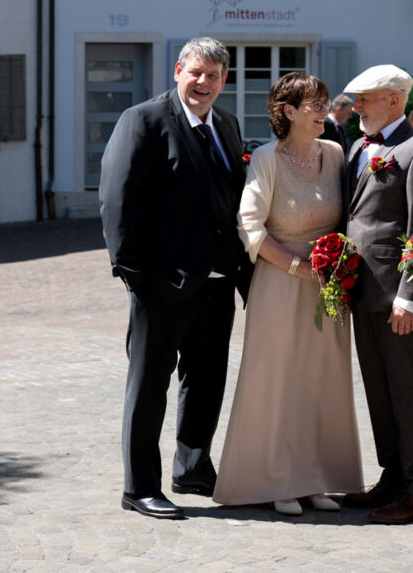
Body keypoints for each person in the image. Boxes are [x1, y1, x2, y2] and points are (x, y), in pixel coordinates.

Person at [99, 36, 253, 520]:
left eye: (214, 75)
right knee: (149, 386)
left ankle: (192, 468)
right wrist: (135, 276)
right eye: (196, 72)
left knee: (206, 381)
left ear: (224, 81)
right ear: (177, 71)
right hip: (160, 284)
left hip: (217, 282)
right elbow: (117, 202)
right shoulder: (142, 120)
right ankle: (139, 486)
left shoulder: (226, 125)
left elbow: (230, 200)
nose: (204, 83)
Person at [212, 72, 363, 516]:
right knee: (278, 383)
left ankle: (313, 479)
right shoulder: (267, 159)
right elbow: (251, 229)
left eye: (324, 102)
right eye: (314, 104)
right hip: (281, 284)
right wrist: (300, 268)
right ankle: (276, 479)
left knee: (320, 384)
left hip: (327, 291)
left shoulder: (335, 153)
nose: (324, 110)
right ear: (289, 112)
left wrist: (337, 266)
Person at [342, 64, 413, 524]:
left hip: (396, 297)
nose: (357, 106)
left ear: (395, 99)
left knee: (407, 390)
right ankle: (391, 477)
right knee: (378, 391)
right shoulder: (359, 148)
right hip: (361, 291)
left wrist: (411, 296)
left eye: (365, 97)